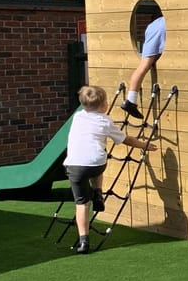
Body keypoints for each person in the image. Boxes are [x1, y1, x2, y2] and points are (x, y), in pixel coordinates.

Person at [64, 85, 157, 254]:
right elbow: (124, 139)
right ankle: (98, 191)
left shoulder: (77, 117)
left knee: (81, 204)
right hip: (96, 164)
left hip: (74, 165)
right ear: (103, 106)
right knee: (98, 160)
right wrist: (144, 145)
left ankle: (84, 241)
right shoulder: (105, 121)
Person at [121, 8, 165, 119]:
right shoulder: (165, 23)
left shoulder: (154, 23)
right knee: (144, 66)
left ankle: (131, 98)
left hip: (154, 32)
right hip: (159, 32)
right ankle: (131, 100)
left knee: (142, 66)